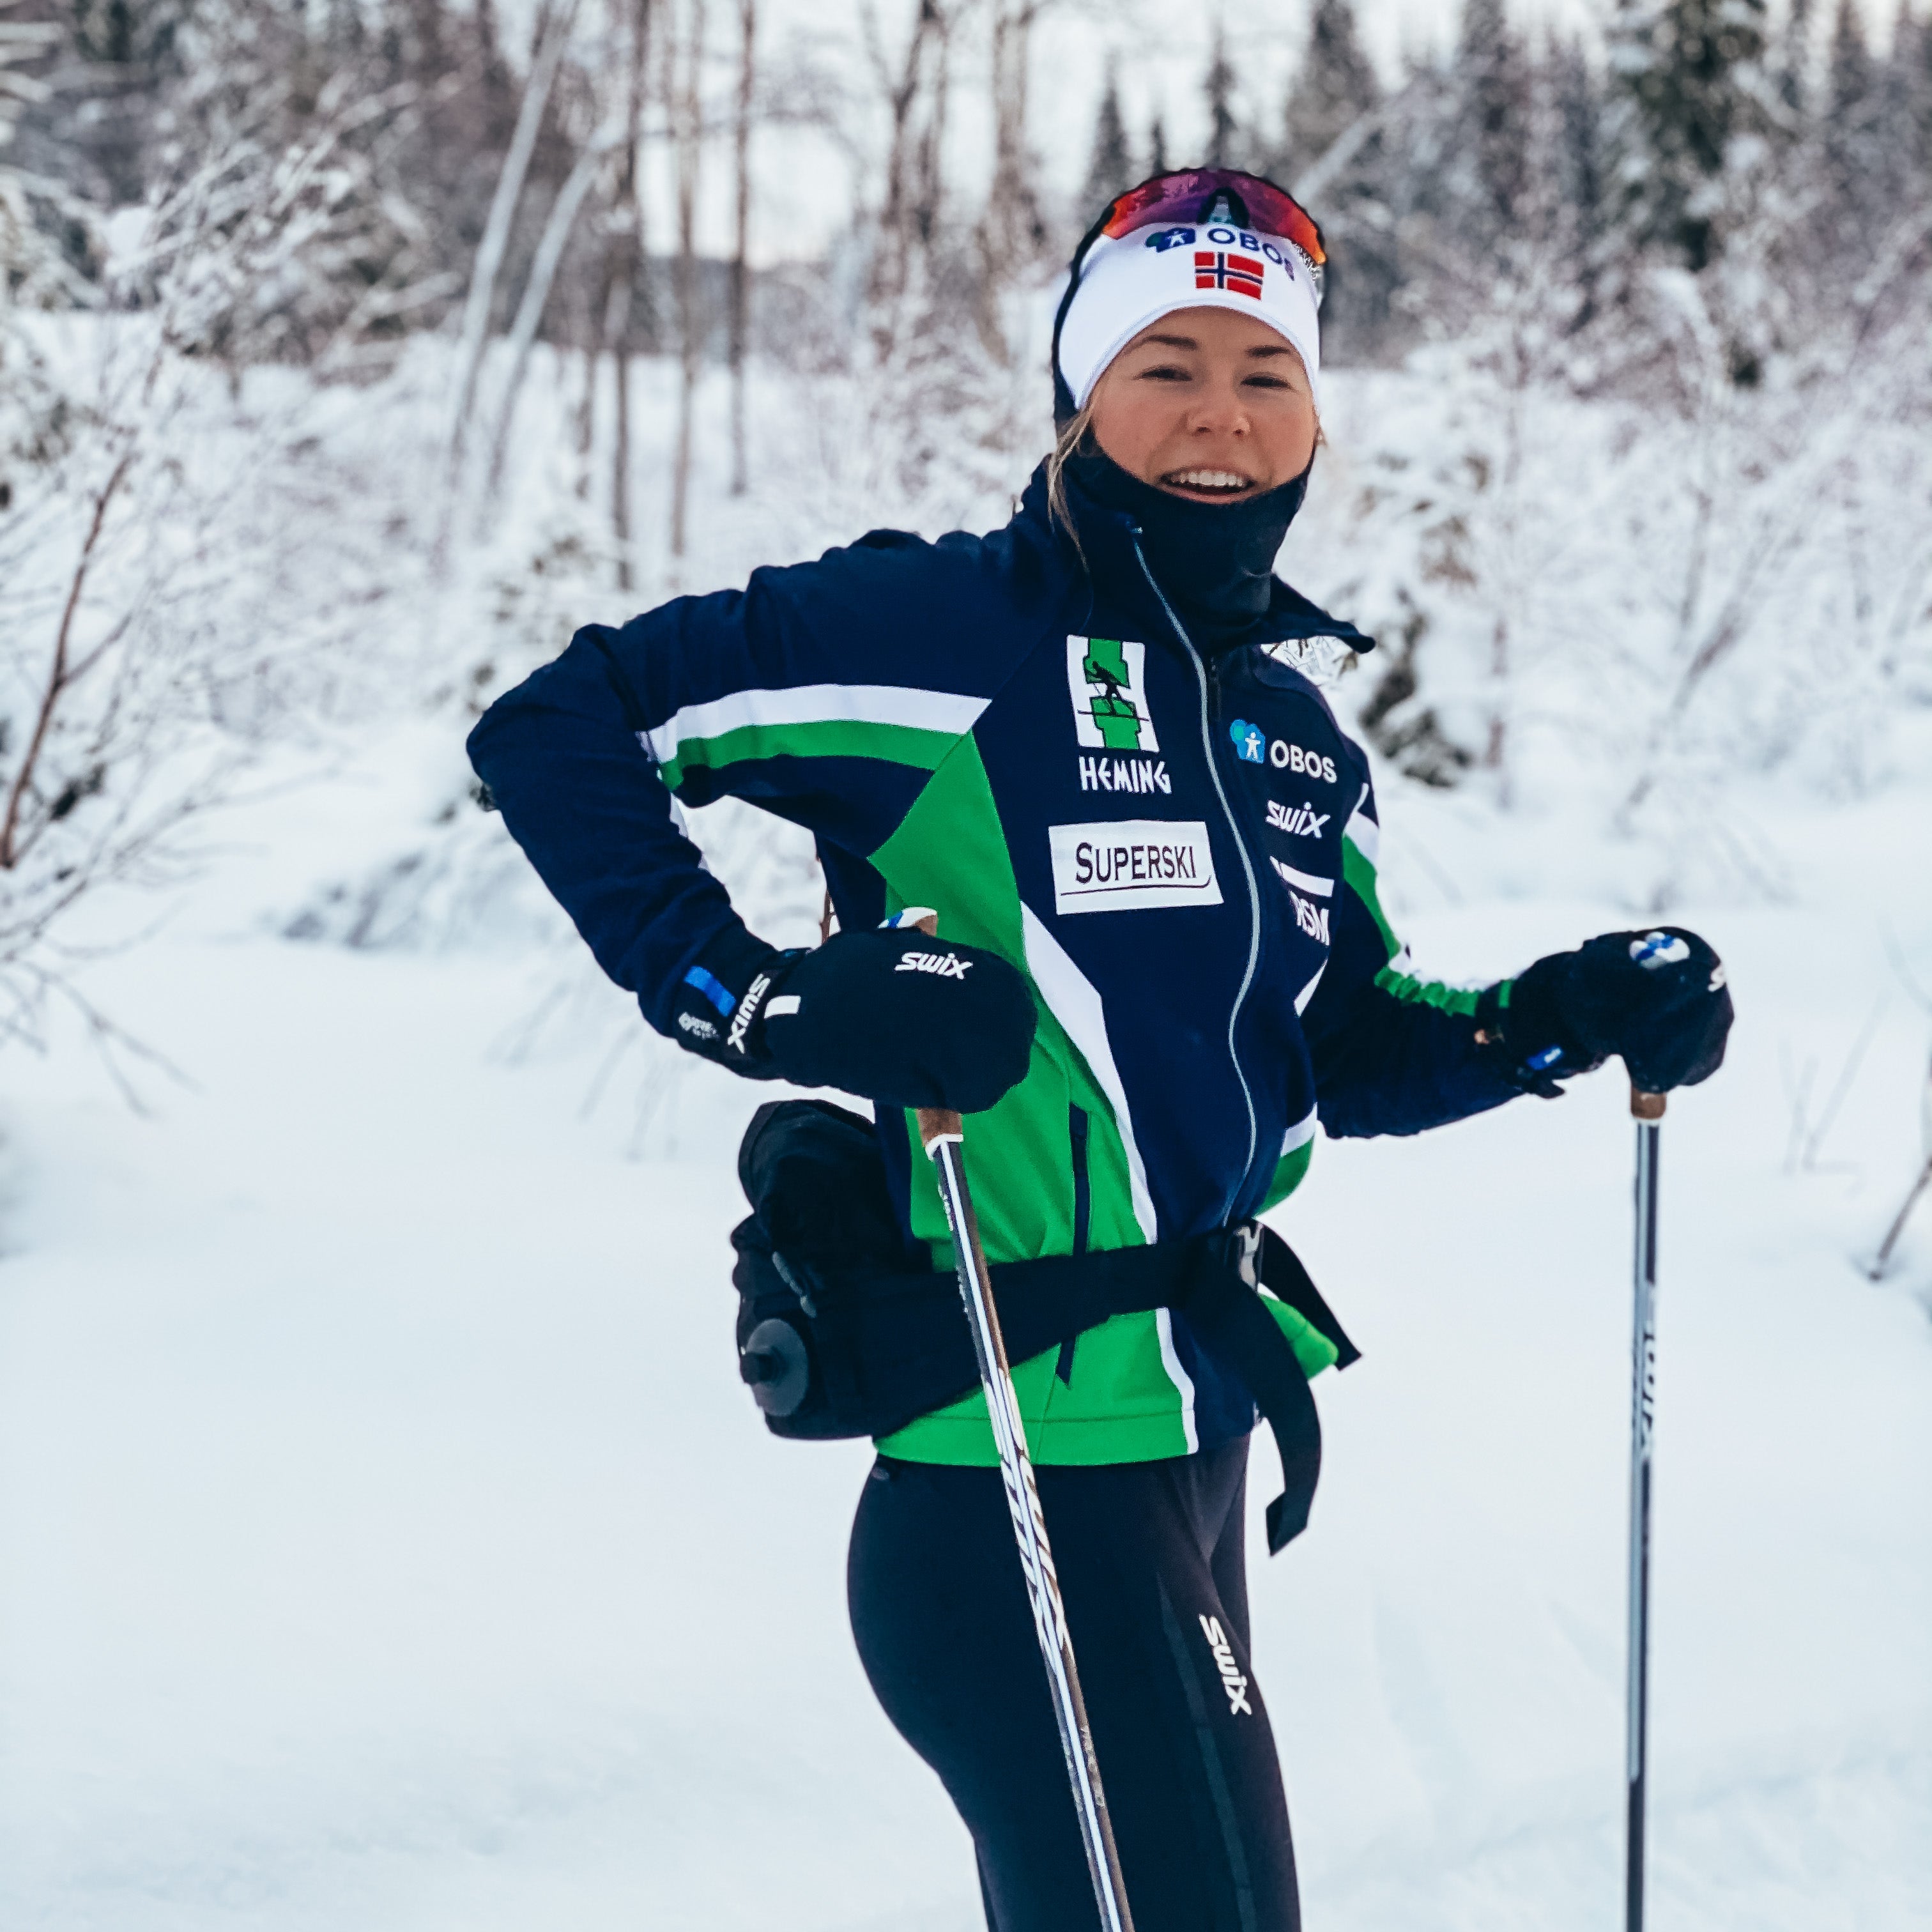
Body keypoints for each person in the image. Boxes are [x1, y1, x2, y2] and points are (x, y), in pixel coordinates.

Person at [466, 169, 1732, 1932]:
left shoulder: (1289, 734)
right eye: (1168, 365)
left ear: (1314, 418)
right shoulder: (937, 634)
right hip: (1007, 1456)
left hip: (1188, 1440)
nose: (1222, 415)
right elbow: (560, 721)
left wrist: (1557, 1019)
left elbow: (1339, 1049)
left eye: (1267, 375)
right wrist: (750, 995)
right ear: (1081, 393)